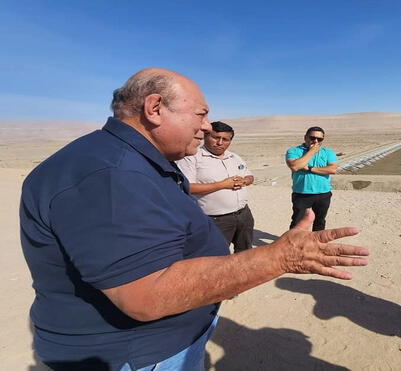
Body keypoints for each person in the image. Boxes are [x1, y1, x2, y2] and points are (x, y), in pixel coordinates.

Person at [20, 68, 368, 370]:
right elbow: (146, 294)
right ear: (154, 108)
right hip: (139, 355)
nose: (205, 127)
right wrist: (280, 257)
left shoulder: (130, 161)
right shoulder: (112, 175)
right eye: (201, 114)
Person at [176, 121, 255, 253]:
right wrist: (222, 185)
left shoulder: (234, 157)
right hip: (215, 219)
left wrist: (244, 181)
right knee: (216, 256)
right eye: (215, 137)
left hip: (243, 215)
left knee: (245, 252)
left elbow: (250, 176)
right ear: (205, 136)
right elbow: (187, 187)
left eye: (225, 139)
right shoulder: (192, 158)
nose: (219, 143)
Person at [285, 126, 338, 231]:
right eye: (312, 138)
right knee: (298, 223)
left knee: (320, 221)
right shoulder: (294, 151)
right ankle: (294, 245)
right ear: (305, 137)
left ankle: (316, 246)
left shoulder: (328, 152)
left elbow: (332, 169)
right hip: (302, 194)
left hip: (323, 194)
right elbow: (295, 166)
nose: (316, 141)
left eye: (319, 139)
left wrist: (309, 168)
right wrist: (312, 152)